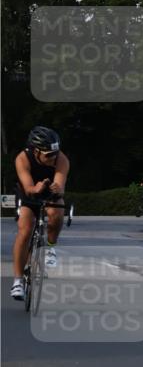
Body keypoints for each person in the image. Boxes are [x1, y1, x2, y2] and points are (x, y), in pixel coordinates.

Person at [11, 126, 70, 300]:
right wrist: (36, 188)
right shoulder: (22, 158)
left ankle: (51, 248)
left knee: (57, 213)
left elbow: (60, 186)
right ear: (36, 151)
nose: (53, 158)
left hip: (50, 192)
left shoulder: (62, 159)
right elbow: (29, 188)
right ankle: (17, 281)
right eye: (48, 155)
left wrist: (56, 188)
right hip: (28, 193)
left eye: (55, 154)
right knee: (25, 229)